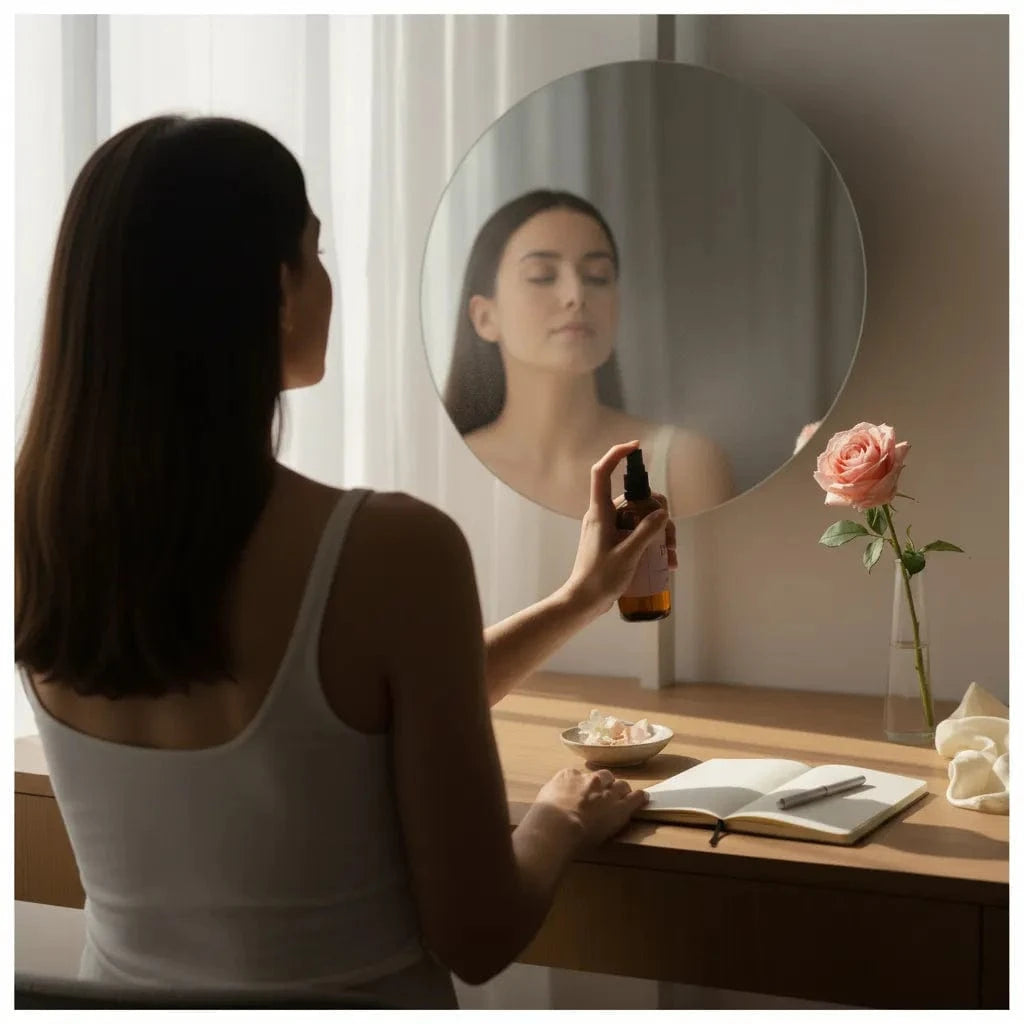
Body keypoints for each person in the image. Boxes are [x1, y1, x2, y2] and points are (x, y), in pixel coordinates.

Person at [14, 115, 678, 1008]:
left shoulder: (39, 532)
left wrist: (578, 598)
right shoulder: (392, 550)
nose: (328, 282)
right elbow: (479, 937)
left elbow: (328, 731)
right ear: (276, 288)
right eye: (315, 251)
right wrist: (558, 819)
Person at [443, 189, 735, 519]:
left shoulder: (685, 465)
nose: (575, 295)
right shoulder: (446, 467)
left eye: (598, 277)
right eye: (542, 276)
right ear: (485, 317)